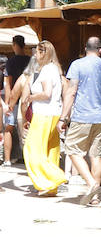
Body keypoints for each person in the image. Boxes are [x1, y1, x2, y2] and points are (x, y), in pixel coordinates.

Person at [60, 37, 101, 206]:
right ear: (100, 50)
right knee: (96, 155)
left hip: (81, 117)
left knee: (72, 150)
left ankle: (91, 184)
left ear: (86, 48)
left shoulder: (77, 65)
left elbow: (71, 92)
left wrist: (63, 116)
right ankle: (95, 196)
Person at [22, 41, 68, 196]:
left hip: (43, 114)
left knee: (32, 149)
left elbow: (46, 93)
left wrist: (31, 97)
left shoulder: (47, 70)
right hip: (54, 113)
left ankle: (55, 178)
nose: (35, 55)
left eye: (37, 52)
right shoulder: (55, 69)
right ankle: (50, 187)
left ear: (43, 53)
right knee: (51, 149)